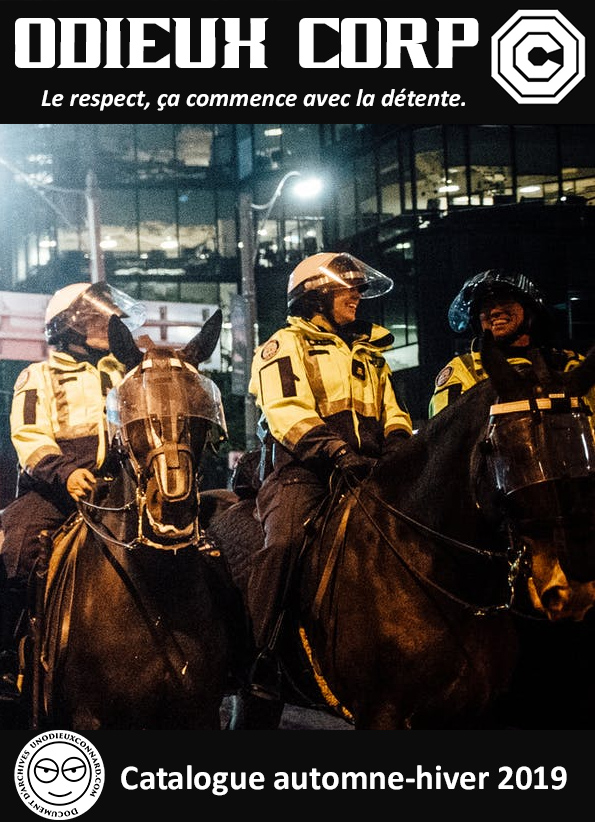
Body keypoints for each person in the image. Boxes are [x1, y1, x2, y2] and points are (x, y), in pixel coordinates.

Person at [247, 251, 413, 699]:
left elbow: (395, 413)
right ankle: (261, 655)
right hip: (304, 472)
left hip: (368, 471)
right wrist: (335, 450)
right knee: (284, 543)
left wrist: (398, 449)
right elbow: (286, 411)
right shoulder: (285, 345)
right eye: (346, 288)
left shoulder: (371, 354)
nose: (356, 295)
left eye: (358, 287)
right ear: (315, 295)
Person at [0, 281, 146, 701]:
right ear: (68, 327)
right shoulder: (39, 376)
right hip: (55, 492)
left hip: (119, 487)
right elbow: (29, 436)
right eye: (97, 318)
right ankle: (8, 657)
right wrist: (65, 474)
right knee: (18, 548)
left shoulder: (124, 374)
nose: (108, 324)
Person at [429, 269, 595, 417]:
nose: (495, 311)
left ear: (530, 310)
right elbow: (445, 437)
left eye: (504, 301)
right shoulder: (463, 371)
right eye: (485, 306)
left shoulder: (569, 365)